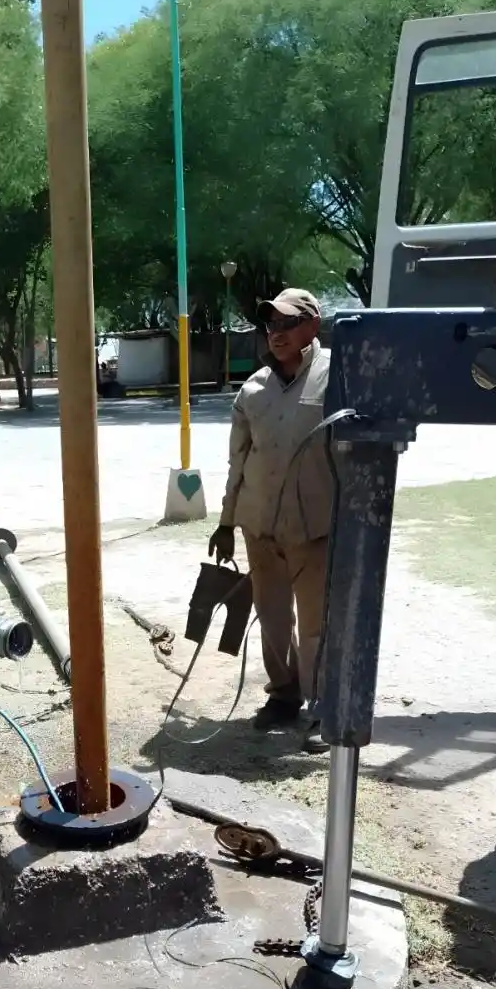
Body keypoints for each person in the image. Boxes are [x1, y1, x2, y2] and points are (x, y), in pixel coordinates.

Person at [207, 287, 332, 754]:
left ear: (312, 324)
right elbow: (238, 461)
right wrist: (225, 522)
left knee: (318, 623)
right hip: (259, 528)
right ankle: (284, 696)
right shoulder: (254, 389)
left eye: (286, 324)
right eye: (270, 326)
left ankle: (323, 707)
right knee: (274, 620)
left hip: (314, 528)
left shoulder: (336, 376)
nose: (275, 334)